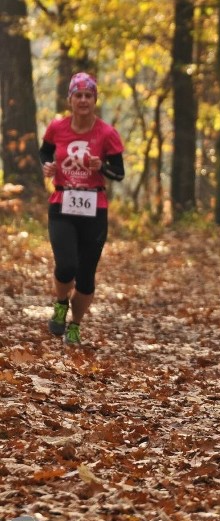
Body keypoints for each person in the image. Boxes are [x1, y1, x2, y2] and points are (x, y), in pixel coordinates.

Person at [41, 72, 125, 346]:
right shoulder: (57, 128)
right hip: (62, 204)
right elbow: (45, 152)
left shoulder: (107, 133)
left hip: (94, 209)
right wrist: (48, 166)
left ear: (95, 100)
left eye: (89, 95)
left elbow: (119, 173)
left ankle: (75, 325)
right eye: (78, 95)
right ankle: (61, 302)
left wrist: (102, 167)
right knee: (66, 265)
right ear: (70, 100)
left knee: (86, 276)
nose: (83, 100)